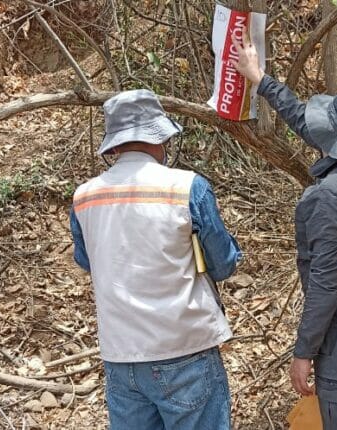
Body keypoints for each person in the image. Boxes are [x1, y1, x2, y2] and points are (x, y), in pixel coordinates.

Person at [232, 32, 337, 429]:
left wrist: (303, 352)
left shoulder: (330, 199)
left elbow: (326, 284)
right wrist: (260, 79)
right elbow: (311, 126)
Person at [69, 89, 242, 430]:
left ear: (114, 146)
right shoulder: (187, 187)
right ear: (161, 136)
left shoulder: (83, 198)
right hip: (185, 349)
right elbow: (223, 264)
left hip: (121, 357)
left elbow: (88, 261)